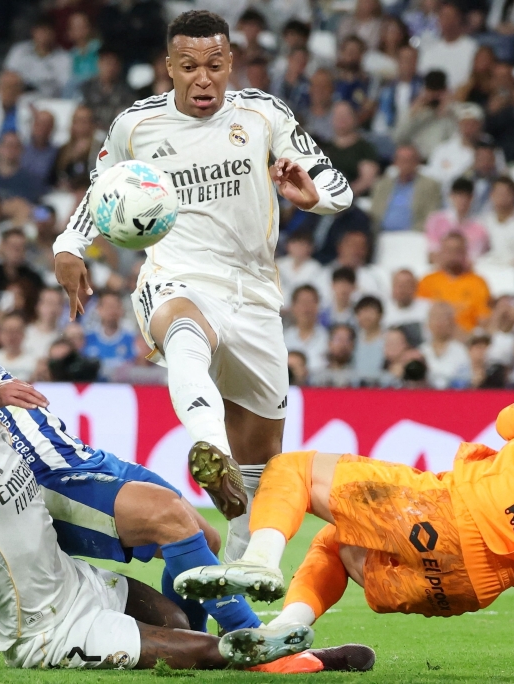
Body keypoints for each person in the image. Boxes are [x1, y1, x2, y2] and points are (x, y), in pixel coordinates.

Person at [175, 346, 514, 651]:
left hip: (452, 515)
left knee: (290, 470)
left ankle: (258, 563)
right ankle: (281, 632)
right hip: (468, 587)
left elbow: (508, 421)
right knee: (339, 538)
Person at [53, 11, 354, 563]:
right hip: (177, 275)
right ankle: (207, 440)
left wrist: (314, 197)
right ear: (168, 67)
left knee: (262, 462)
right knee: (184, 327)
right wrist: (69, 245)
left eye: (214, 65)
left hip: (257, 293)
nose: (203, 79)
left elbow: (336, 182)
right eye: (188, 66)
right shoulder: (134, 126)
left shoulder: (263, 114)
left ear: (230, 63)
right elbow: (103, 190)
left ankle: (247, 561)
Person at [0, 244, 284, 648]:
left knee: (203, 538)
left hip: (81, 459)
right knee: (171, 519)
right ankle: (252, 639)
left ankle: (195, 646)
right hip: (45, 480)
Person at [0, 329, 365, 673]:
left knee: (186, 598)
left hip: (82, 582)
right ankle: (274, 652)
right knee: (204, 640)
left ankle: (210, 646)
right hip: (49, 629)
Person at [415, 232, 491, 333]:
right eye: (448, 251)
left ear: (465, 253)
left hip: (466, 337)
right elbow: (420, 316)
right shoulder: (427, 281)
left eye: (457, 251)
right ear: (441, 252)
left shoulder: (478, 282)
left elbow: (484, 319)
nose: (453, 256)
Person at [369, 144, 441, 234]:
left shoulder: (429, 186)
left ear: (417, 162)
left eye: (409, 160)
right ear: (395, 162)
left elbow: (431, 216)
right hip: (381, 234)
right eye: (401, 160)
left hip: (413, 235)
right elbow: (374, 213)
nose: (405, 164)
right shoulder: (382, 185)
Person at [391, 70, 455, 161]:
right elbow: (398, 138)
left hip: (444, 161)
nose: (434, 95)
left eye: (438, 91)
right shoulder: (415, 111)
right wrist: (413, 114)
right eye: (431, 90)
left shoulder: (453, 112)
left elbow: (455, 140)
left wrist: (444, 112)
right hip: (416, 161)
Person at [425, 178, 489, 263]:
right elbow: (432, 253)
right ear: (451, 196)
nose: (463, 200)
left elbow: (473, 258)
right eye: (459, 195)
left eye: (467, 196)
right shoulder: (436, 220)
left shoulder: (480, 227)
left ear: (472, 198)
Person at [3, 18, 71, 98]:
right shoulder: (19, 50)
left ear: (53, 34)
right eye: (40, 31)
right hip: (19, 98)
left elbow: (65, 85)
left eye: (46, 31)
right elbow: (8, 74)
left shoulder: (63, 58)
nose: (43, 35)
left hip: (48, 101)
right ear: (33, 32)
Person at [82, 290, 136, 378]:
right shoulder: (87, 339)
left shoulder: (132, 339)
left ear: (121, 310)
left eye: (115, 306)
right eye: (108, 307)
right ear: (98, 309)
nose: (112, 311)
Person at [419, 301, 472, 388]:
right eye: (435, 317)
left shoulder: (461, 351)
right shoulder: (421, 351)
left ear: (452, 322)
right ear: (428, 323)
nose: (439, 323)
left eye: (443, 318)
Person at [0, 132, 40, 204]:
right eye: (8, 145)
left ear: (22, 150)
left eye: (16, 146)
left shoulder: (29, 179)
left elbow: (32, 208)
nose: (11, 150)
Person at [284, 284, 329, 374]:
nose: (306, 308)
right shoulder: (283, 338)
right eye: (302, 302)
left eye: (311, 302)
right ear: (293, 307)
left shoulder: (327, 338)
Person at [277, 229, 325, 309]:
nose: (298, 248)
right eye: (295, 243)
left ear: (310, 248)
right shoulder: (278, 265)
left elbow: (318, 294)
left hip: (304, 310)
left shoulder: (316, 269)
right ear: (288, 246)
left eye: (302, 244)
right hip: (279, 310)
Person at [383, 269, 429, 343]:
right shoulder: (383, 311)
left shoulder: (428, 308)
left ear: (415, 287)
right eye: (398, 285)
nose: (402, 289)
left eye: (406, 285)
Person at [352, 296, 384, 378]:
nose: (366, 316)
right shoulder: (353, 339)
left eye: (370, 311)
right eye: (362, 312)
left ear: (380, 314)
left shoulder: (388, 338)